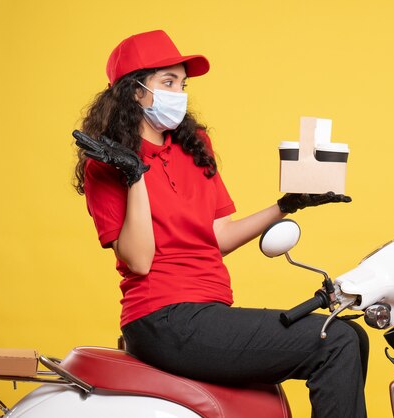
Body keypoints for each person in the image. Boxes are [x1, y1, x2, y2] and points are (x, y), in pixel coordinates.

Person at [73, 29, 368, 418]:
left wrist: (286, 205)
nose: (179, 93)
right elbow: (140, 262)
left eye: (182, 83)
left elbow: (219, 236)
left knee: (354, 336)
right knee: (336, 341)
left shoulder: (193, 145)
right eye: (167, 82)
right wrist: (135, 174)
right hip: (162, 318)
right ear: (135, 92)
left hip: (208, 311)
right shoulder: (106, 166)